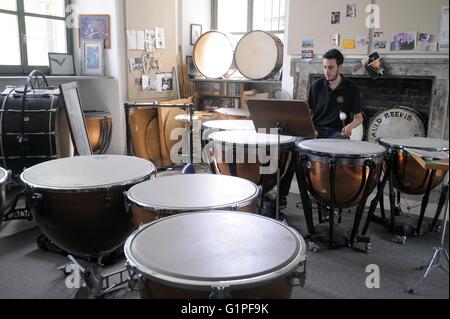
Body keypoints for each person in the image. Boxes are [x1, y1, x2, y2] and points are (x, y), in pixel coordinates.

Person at [278, 48, 364, 207]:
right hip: (315, 130)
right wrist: (309, 127)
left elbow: (359, 118)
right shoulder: (317, 86)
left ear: (340, 67)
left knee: (331, 158)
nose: (326, 71)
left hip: (337, 133)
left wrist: (349, 127)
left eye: (330, 67)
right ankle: (282, 197)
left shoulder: (351, 88)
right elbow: (308, 113)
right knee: (292, 151)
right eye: (324, 67)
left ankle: (327, 199)